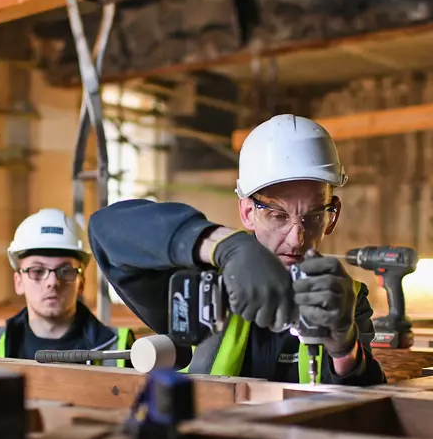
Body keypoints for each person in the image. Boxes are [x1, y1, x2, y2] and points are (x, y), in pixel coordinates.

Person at [88, 114, 386, 386]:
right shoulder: (199, 287)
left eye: (313, 217)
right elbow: (107, 227)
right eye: (278, 215)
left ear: (333, 213)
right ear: (247, 212)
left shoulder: (343, 297)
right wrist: (226, 247)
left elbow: (371, 409)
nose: (297, 238)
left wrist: (345, 349)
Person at [0, 208, 134, 366]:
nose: (53, 282)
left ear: (81, 283)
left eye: (66, 271)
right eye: (38, 271)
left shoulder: (118, 347)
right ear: (18, 282)